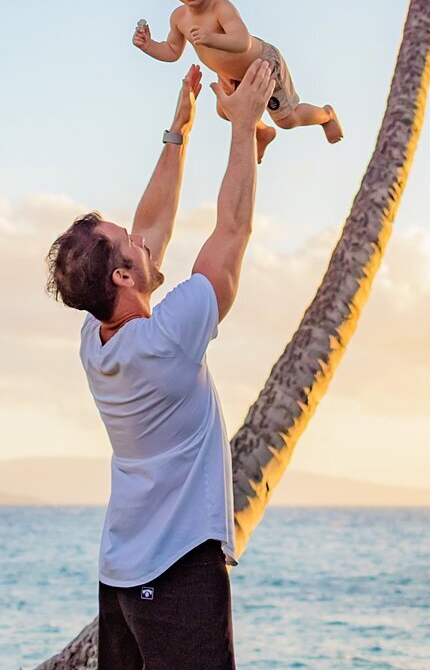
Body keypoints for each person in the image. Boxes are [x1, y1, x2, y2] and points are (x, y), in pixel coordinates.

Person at [46, 58, 276, 670]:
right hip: (175, 571)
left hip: (123, 571)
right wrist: (243, 126)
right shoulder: (167, 339)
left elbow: (149, 228)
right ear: (123, 276)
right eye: (132, 246)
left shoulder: (98, 340)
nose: (144, 238)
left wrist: (178, 135)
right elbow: (233, 229)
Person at [133, 0, 342, 160]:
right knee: (225, 111)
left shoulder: (220, 8)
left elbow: (243, 42)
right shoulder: (178, 17)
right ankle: (262, 132)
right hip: (230, 75)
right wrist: (149, 45)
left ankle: (326, 115)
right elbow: (172, 51)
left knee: (288, 120)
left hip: (262, 65)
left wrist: (210, 38)